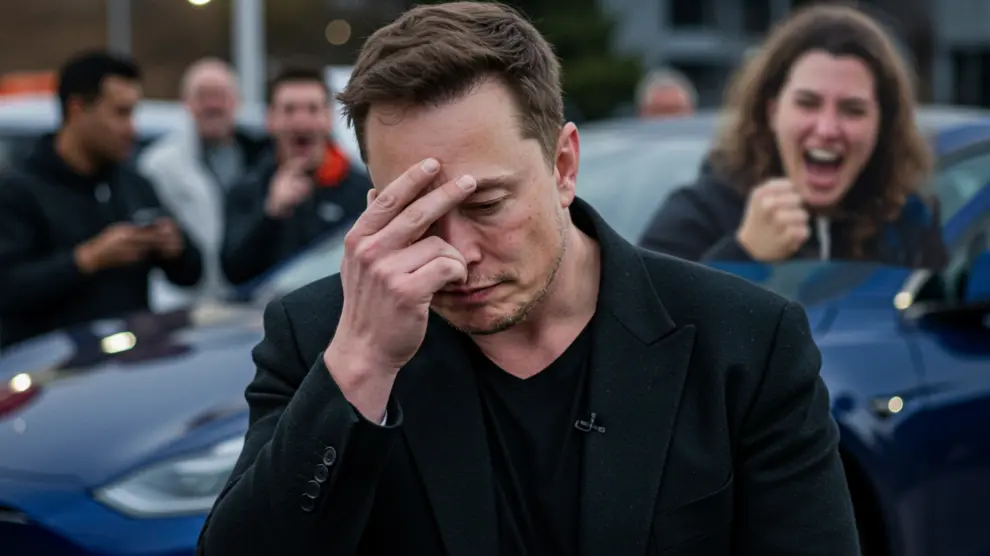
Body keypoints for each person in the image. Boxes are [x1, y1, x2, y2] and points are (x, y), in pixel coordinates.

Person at [197, 3, 859, 555]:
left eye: (487, 205)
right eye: (414, 215)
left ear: (563, 166)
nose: (457, 255)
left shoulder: (744, 342)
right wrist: (362, 366)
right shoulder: (322, 337)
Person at [638, 5, 948, 269]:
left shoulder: (907, 224)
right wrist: (743, 254)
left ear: (883, 123)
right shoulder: (700, 214)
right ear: (772, 111)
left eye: (852, 110)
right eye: (808, 104)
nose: (827, 129)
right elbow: (641, 314)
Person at [0, 51, 202, 349]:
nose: (131, 128)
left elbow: (191, 273)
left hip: (131, 363)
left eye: (133, 113)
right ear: (77, 109)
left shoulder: (134, 184)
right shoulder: (19, 192)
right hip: (53, 367)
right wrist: (87, 259)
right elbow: (8, 289)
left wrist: (174, 246)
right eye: (121, 113)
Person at [220, 64, 372, 286]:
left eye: (312, 109)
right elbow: (233, 273)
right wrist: (271, 214)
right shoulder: (245, 189)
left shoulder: (363, 190)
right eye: (289, 110)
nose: (301, 121)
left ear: (329, 117)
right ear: (270, 119)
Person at [138, 57, 267, 310]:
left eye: (221, 95)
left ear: (237, 101)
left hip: (252, 300)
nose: (213, 104)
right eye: (203, 95)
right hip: (183, 303)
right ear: (185, 102)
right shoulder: (158, 165)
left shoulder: (260, 158)